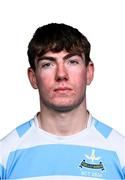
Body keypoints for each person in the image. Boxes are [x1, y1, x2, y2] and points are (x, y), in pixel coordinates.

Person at [0, 23, 125, 180]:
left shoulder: (121, 153)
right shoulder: (4, 155)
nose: (61, 74)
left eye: (72, 61)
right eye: (48, 64)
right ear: (33, 78)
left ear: (89, 72)